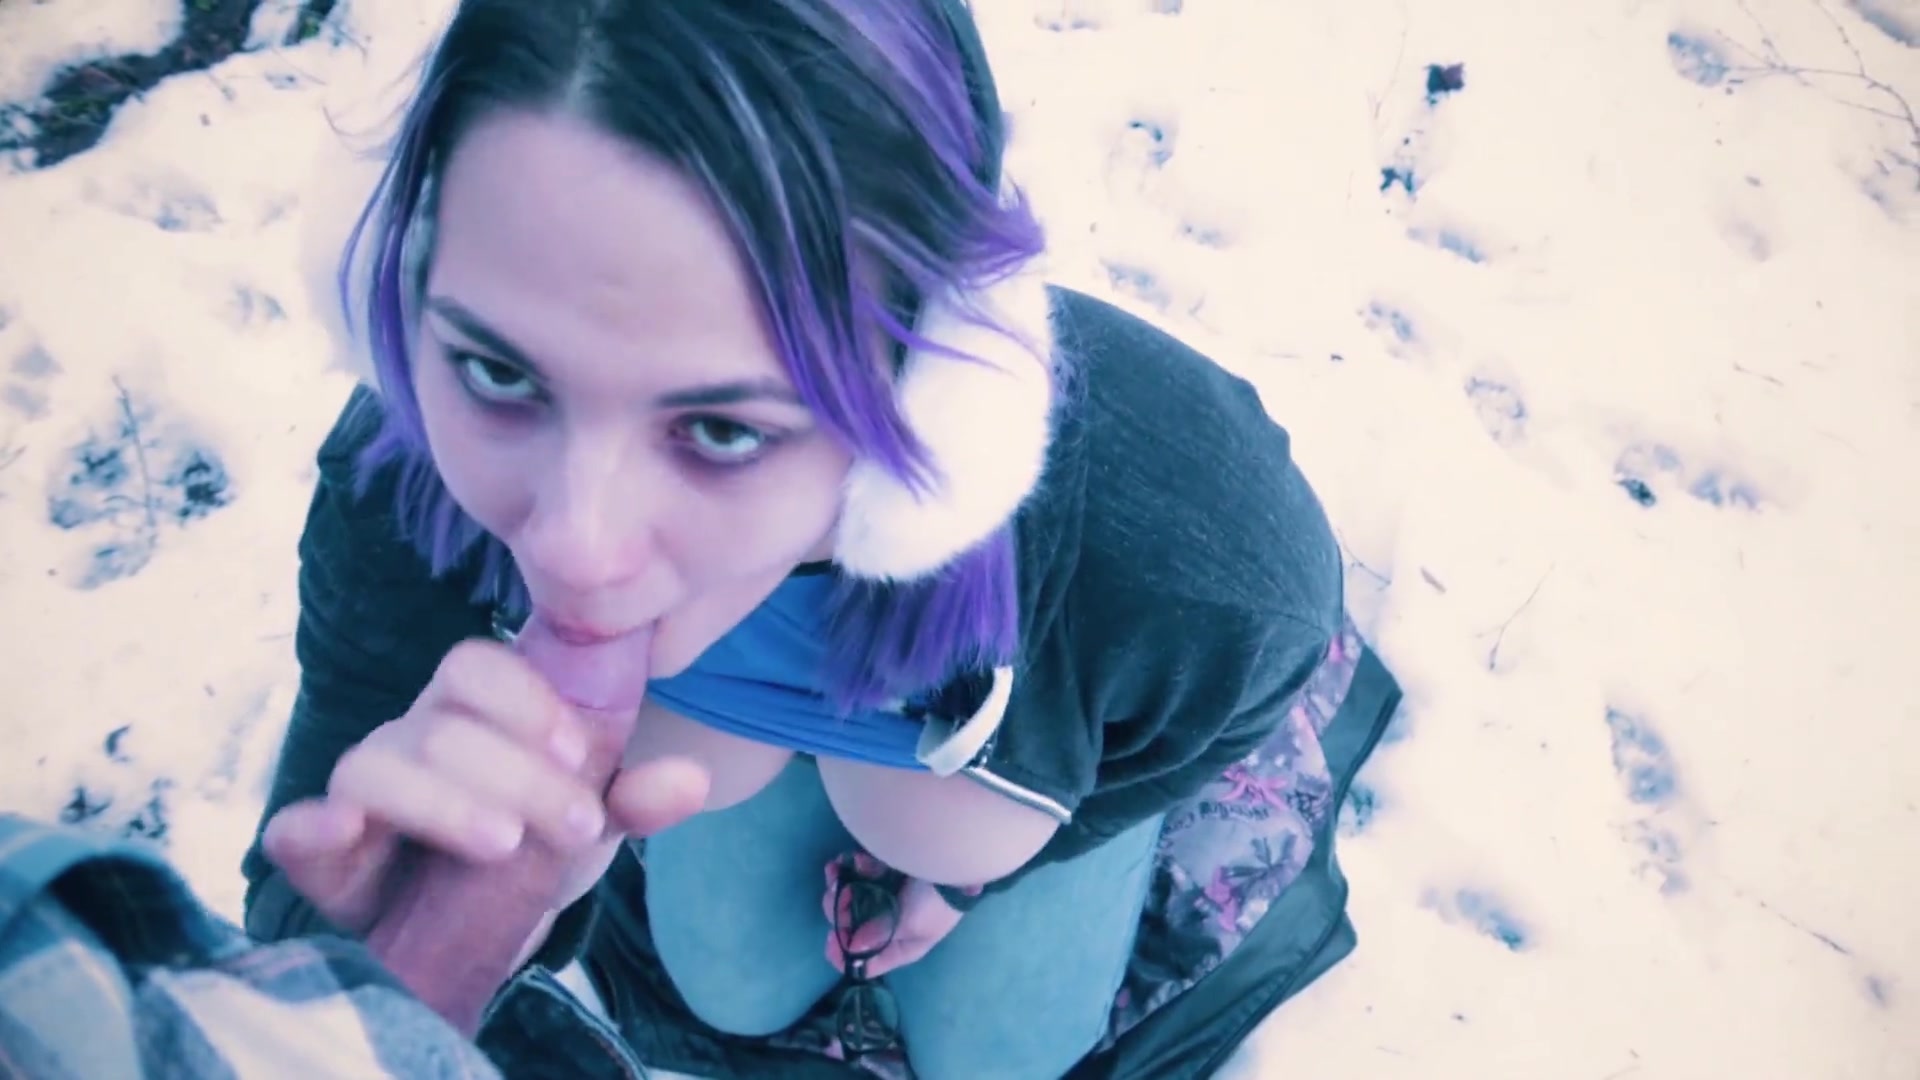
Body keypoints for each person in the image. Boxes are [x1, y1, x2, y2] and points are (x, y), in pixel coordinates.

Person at [242, 1, 1402, 1077]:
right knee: (727, 990)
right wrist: (404, 963)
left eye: (722, 428)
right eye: (499, 372)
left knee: (1000, 1058)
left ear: (942, 395)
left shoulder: (1190, 550)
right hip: (757, 757)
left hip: (998, 735)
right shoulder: (404, 479)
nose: (578, 550)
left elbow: (1238, 687)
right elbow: (312, 887)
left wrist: (983, 879)